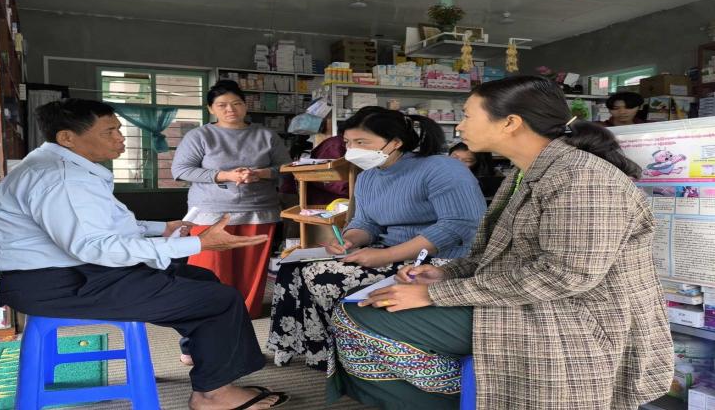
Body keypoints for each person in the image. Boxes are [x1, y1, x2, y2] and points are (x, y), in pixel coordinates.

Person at [327, 76, 672, 410]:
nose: (459, 127)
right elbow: (499, 253)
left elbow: (566, 276)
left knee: (363, 318)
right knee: (358, 308)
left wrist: (436, 294)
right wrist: (445, 274)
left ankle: (466, 395)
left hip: (573, 316)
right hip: (529, 298)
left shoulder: (582, 179)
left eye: (467, 116)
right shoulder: (526, 172)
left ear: (510, 123)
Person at [0, 98, 289, 410]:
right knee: (219, 300)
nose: (121, 138)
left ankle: (204, 358)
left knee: (200, 278)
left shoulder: (58, 166)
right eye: (109, 132)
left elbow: (98, 225)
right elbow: (97, 246)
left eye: (118, 129)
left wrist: (162, 227)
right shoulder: (61, 178)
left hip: (69, 272)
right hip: (61, 283)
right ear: (67, 138)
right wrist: (198, 244)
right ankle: (212, 396)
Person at [268, 108, 486, 370]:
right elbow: (366, 223)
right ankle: (305, 347)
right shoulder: (367, 177)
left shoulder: (441, 168)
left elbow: (458, 225)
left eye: (362, 142)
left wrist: (386, 256)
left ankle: (349, 356)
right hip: (386, 251)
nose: (352, 150)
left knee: (323, 276)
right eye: (348, 143)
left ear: (395, 142)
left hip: (439, 260)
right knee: (292, 267)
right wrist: (348, 240)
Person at [171, 80, 291, 319]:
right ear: (211, 109)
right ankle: (208, 314)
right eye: (222, 105)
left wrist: (260, 173)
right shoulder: (200, 136)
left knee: (250, 268)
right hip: (210, 212)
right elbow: (181, 170)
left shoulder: (265, 135)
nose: (230, 109)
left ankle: (246, 312)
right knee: (210, 267)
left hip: (258, 210)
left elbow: (287, 168)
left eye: (236, 103)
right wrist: (225, 175)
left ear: (245, 105)